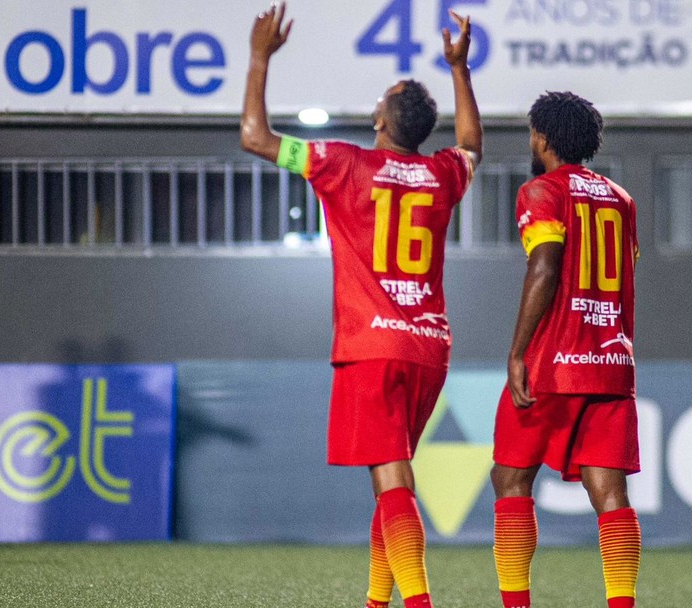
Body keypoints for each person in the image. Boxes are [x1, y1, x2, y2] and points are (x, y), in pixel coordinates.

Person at [241, 4, 482, 608]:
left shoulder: (343, 163)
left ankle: (418, 602)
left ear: (380, 118)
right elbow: (471, 145)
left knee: (391, 478)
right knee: (390, 475)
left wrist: (259, 58)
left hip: (373, 347)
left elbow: (254, 138)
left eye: (381, 97)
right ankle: (377, 601)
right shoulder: (442, 175)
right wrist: (460, 70)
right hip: (429, 349)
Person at [491, 91, 641, 608]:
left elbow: (546, 267)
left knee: (511, 478)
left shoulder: (541, 191)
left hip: (554, 362)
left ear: (542, 138)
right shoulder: (622, 200)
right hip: (612, 364)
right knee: (610, 493)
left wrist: (518, 352)